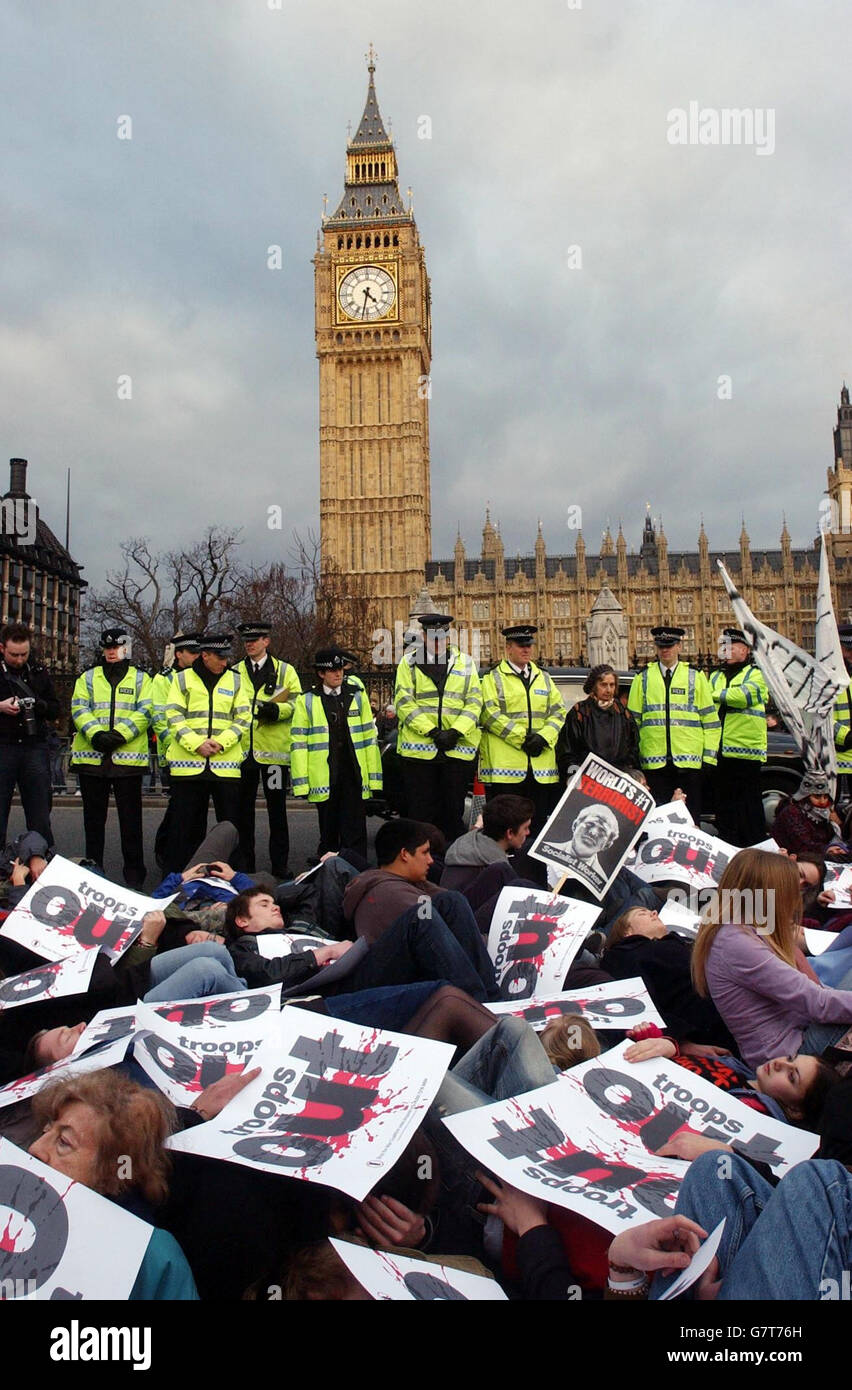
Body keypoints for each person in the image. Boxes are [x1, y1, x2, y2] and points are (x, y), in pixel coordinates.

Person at [28, 1069, 199, 1298]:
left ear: (113, 1170)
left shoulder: (153, 1257)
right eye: (46, 1130)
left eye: (64, 1142)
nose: (36, 1149)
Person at [692, 847, 852, 1066]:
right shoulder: (736, 941)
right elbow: (818, 1003)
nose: (797, 896)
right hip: (789, 1056)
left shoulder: (744, 928)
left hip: (799, 1031)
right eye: (792, 888)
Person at [70, 627, 152, 888]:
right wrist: (96, 734)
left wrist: (119, 735)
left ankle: (135, 878)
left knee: (131, 825)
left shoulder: (141, 679)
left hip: (127, 763)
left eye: (116, 648)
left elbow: (146, 710)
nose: (111, 652)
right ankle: (94, 874)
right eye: (107, 648)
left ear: (126, 648)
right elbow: (79, 707)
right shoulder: (88, 677)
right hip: (93, 762)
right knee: (93, 824)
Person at [163, 633, 251, 872]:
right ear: (205, 655)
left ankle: (233, 879)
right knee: (185, 828)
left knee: (231, 827)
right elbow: (173, 717)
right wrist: (196, 743)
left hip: (225, 767)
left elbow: (244, 717)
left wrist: (221, 742)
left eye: (226, 657)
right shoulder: (182, 680)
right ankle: (179, 878)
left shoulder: (235, 680)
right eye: (220, 657)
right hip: (188, 766)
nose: (225, 662)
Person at [394, 612, 482, 843]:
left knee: (452, 815)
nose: (437, 640)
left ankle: (450, 868)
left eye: (441, 635)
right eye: (432, 635)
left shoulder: (465, 663)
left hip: (456, 751)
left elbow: (474, 702)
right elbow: (404, 702)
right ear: (423, 635)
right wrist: (432, 732)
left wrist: (456, 732)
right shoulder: (408, 663)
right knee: (421, 816)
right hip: (420, 753)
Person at [290, 648, 382, 861]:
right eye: (332, 670)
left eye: (340, 669)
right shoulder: (308, 700)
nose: (338, 674)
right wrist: (302, 784)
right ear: (321, 674)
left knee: (355, 829)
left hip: (353, 772)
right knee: (329, 828)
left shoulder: (357, 696)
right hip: (325, 774)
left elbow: (369, 739)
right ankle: (327, 869)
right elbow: (299, 743)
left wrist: (374, 779)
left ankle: (357, 870)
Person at [478, 624, 566, 837]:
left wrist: (543, 737)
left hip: (540, 769)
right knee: (504, 828)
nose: (526, 650)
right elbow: (489, 714)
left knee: (536, 828)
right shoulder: (492, 678)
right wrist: (523, 739)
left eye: (529, 645)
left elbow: (559, 711)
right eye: (520, 645)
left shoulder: (543, 677)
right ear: (508, 648)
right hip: (505, 769)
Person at [627, 625, 720, 822]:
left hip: (689, 763)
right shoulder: (642, 677)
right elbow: (633, 723)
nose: (665, 650)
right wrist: (635, 756)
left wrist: (709, 759)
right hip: (654, 763)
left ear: (679, 646)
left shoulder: (696, 676)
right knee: (657, 820)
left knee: (690, 820)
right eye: (661, 646)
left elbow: (711, 722)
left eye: (669, 645)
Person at [234, 620, 302, 879]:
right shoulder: (235, 671)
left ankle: (280, 864)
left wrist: (277, 710)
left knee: (277, 811)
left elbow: (297, 703)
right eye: (246, 640)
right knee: (243, 813)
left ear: (267, 641)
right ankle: (245, 864)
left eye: (255, 639)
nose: (249, 644)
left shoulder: (286, 670)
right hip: (244, 754)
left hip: (273, 756)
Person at [0, 622, 60, 848]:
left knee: (39, 810)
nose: (19, 660)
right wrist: (1, 706)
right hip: (3, 744)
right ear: (2, 649)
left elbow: (55, 708)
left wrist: (38, 705)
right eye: (14, 654)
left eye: (24, 654)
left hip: (33, 744)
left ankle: (40, 857)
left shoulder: (37, 671)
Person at [708, 627, 769, 846]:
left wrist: (714, 695)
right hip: (719, 750)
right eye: (723, 647)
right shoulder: (715, 675)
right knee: (724, 805)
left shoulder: (756, 674)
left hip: (745, 752)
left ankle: (754, 846)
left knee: (749, 805)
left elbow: (744, 696)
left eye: (730, 647)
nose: (725, 651)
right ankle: (727, 846)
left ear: (744, 650)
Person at [151, 632, 201, 871]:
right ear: (179, 654)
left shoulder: (199, 676)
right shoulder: (164, 679)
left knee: (194, 808)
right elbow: (160, 718)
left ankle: (190, 854)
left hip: (199, 753)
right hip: (174, 753)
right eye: (192, 652)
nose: (197, 656)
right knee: (178, 808)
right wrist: (183, 743)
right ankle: (167, 852)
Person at [557, 663, 639, 783]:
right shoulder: (579, 713)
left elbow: (633, 748)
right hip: (588, 781)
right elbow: (567, 752)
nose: (608, 690)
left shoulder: (623, 713)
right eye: (603, 685)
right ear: (594, 686)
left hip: (618, 781)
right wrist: (575, 776)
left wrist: (628, 772)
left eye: (612, 685)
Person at [537, 803, 620, 893]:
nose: (593, 832)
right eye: (590, 824)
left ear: (607, 845)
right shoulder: (543, 848)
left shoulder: (601, 883)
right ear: (575, 825)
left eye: (602, 831)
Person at [772, 769, 847, 856]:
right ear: (805, 796)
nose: (822, 801)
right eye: (817, 796)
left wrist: (837, 824)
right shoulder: (792, 812)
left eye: (825, 796)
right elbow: (803, 846)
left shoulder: (826, 813)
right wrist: (828, 849)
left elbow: (833, 838)